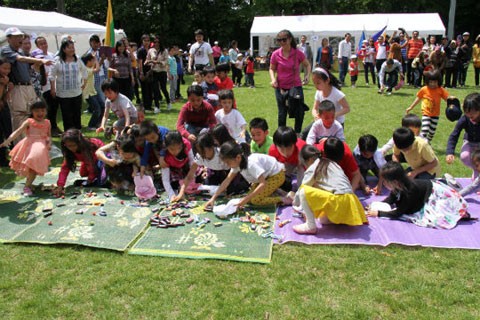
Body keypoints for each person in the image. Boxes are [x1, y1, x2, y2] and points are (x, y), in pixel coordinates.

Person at [366, 162, 468, 230]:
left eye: (385, 181)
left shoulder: (409, 190)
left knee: (437, 217)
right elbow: (390, 199)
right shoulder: (398, 186)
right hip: (425, 188)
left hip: (436, 194)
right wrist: (377, 205)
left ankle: (449, 184)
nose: (383, 184)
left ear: (394, 182)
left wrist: (379, 213)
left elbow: (399, 212)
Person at [292, 145, 367, 235]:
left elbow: (302, 189)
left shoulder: (314, 167)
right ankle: (341, 219)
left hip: (338, 200)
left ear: (310, 160)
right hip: (350, 202)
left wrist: (295, 204)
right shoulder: (333, 163)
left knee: (304, 191)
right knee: (322, 219)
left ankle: (310, 225)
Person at [204, 141, 290, 209]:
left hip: (276, 175)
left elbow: (263, 183)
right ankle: (275, 190)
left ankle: (283, 199)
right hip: (265, 177)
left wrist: (246, 199)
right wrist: (213, 198)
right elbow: (227, 180)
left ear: (237, 157)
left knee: (255, 200)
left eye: (228, 162)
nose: (227, 165)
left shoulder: (251, 164)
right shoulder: (237, 163)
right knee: (249, 198)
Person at [1, 27, 53, 138]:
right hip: (17, 87)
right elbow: (20, 59)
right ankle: (20, 144)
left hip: (29, 86)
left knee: (34, 113)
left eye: (20, 36)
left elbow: (31, 65)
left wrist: (39, 63)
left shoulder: (22, 52)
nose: (19, 39)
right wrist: (40, 60)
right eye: (16, 37)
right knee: (19, 116)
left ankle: (36, 139)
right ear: (9, 39)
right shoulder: (6, 50)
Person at [177, 131, 249, 201]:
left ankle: (244, 183)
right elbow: (190, 176)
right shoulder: (200, 156)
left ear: (211, 147)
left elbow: (230, 175)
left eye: (203, 151)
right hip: (215, 172)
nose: (202, 154)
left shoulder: (221, 154)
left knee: (231, 190)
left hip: (230, 172)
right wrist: (181, 192)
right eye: (199, 151)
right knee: (208, 187)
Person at [0, 101, 50, 196]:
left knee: (34, 167)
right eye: (37, 111)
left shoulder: (47, 122)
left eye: (42, 111)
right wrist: (8, 140)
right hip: (30, 147)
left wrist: (49, 143)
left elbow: (48, 135)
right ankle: (27, 186)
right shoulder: (29, 122)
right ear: (32, 111)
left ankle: (29, 184)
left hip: (41, 148)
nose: (40, 113)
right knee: (32, 165)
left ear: (46, 111)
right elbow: (18, 132)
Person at [269, 29, 311, 134]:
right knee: (282, 113)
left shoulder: (297, 53)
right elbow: (271, 68)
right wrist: (273, 79)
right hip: (280, 87)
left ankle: (297, 134)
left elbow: (307, 64)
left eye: (284, 40)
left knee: (299, 111)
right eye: (279, 40)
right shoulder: (275, 54)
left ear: (290, 39)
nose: (282, 42)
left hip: (295, 87)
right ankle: (281, 135)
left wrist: (307, 76)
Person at [52, 129, 105, 197]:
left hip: (101, 159)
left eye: (73, 145)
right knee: (83, 173)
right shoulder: (69, 152)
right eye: (68, 146)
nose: (71, 148)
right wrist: (60, 186)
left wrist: (89, 180)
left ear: (79, 143)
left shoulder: (88, 147)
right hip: (88, 161)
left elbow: (91, 164)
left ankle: (100, 179)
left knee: (102, 179)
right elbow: (65, 168)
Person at [49, 39, 87, 132]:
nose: (72, 49)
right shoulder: (58, 60)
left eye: (73, 47)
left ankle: (78, 133)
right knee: (67, 115)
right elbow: (52, 75)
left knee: (77, 114)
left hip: (76, 92)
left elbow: (84, 70)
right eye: (69, 47)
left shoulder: (77, 59)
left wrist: (84, 83)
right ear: (64, 49)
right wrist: (53, 89)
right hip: (63, 94)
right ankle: (69, 135)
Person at [301, 67, 349, 140]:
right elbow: (314, 108)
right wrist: (315, 115)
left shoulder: (337, 93)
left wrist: (333, 115)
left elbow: (347, 108)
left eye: (318, 83)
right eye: (314, 83)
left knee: (330, 142)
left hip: (336, 123)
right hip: (322, 121)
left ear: (327, 81)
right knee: (304, 134)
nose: (316, 86)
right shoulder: (318, 92)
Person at [406, 70, 451, 142]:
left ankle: (427, 142)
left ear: (438, 81)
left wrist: (453, 104)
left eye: (435, 82)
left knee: (432, 132)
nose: (433, 84)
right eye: (431, 82)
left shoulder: (440, 90)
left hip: (436, 114)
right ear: (427, 81)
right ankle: (419, 142)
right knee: (425, 129)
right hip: (426, 113)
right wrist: (411, 107)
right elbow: (418, 98)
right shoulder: (424, 89)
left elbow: (448, 99)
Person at [446, 93, 480, 182]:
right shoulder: (465, 118)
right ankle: (477, 171)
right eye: (467, 112)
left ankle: (477, 176)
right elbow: (454, 134)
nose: (470, 116)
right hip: (469, 141)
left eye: (473, 113)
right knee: (465, 156)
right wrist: (450, 152)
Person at [31, 36, 61, 136]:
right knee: (47, 109)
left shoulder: (51, 55)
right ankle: (49, 128)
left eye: (45, 42)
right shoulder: (35, 57)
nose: (44, 45)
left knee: (54, 108)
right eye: (41, 44)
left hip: (53, 85)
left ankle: (54, 126)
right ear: (37, 46)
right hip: (43, 89)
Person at [268, 126, 306, 192]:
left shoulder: (301, 149)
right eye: (281, 148)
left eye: (289, 147)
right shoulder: (273, 150)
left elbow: (304, 170)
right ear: (276, 145)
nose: (286, 152)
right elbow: (272, 169)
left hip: (301, 164)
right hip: (284, 164)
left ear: (294, 144)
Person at [161, 131, 195, 201]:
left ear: (182, 145)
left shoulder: (186, 144)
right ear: (166, 147)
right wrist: (171, 195)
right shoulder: (165, 157)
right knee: (174, 185)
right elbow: (165, 180)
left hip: (186, 166)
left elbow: (192, 162)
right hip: (174, 169)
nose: (176, 151)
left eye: (179, 148)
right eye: (172, 149)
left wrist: (192, 176)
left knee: (194, 181)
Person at [146, 36, 171, 113]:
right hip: (154, 71)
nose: (156, 43)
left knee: (163, 88)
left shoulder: (165, 51)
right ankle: (157, 106)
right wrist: (147, 62)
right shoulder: (151, 50)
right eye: (155, 42)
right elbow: (147, 59)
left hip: (162, 71)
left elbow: (166, 61)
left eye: (158, 42)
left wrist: (159, 62)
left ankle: (168, 102)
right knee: (155, 89)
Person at [81, 54, 104, 130]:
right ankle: (91, 125)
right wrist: (96, 59)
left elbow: (95, 68)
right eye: (92, 61)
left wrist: (94, 59)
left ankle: (98, 123)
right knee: (97, 109)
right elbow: (97, 69)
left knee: (102, 106)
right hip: (88, 93)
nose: (94, 62)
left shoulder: (88, 69)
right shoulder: (86, 70)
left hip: (92, 92)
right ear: (88, 61)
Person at [0, 57, 13, 166]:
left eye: (8, 69)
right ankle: (2, 159)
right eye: (4, 68)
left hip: (3, 107)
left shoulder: (5, 78)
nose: (6, 71)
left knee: (8, 130)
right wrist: (4, 85)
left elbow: (4, 99)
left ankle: (6, 156)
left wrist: (9, 89)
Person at [137, 34, 153, 111]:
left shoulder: (151, 50)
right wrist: (141, 73)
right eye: (145, 41)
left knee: (150, 89)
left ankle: (149, 105)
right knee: (145, 89)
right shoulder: (141, 50)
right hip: (143, 71)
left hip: (151, 71)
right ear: (142, 41)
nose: (146, 42)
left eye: (148, 41)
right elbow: (140, 62)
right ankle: (146, 106)